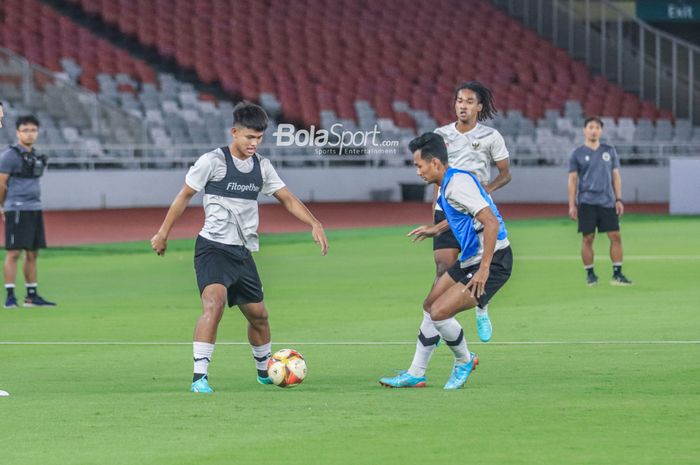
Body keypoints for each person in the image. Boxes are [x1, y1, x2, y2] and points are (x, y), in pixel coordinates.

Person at [151, 101, 328, 393]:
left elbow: (287, 198)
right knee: (214, 303)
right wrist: (162, 233)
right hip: (212, 248)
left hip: (242, 253)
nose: (254, 144)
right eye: (249, 137)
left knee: (259, 315)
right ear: (234, 132)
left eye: (259, 138)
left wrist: (314, 223)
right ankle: (199, 377)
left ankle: (264, 371)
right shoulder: (212, 161)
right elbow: (184, 196)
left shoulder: (262, 167)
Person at [379, 132, 513, 389]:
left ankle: (465, 360)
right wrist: (437, 229)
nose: (417, 171)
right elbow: (463, 215)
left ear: (436, 163)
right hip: (471, 258)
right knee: (430, 305)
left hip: (494, 260)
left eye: (419, 165)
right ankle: (416, 373)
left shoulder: (458, 184)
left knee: (440, 313)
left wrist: (485, 269)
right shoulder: (447, 183)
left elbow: (491, 222)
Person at [431, 81, 511, 342]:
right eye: (459, 101)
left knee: (475, 264)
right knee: (443, 267)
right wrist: (436, 207)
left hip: (475, 212)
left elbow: (505, 174)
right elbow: (435, 175)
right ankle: (440, 320)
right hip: (447, 210)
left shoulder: (490, 136)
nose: (462, 106)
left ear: (479, 107)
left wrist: (486, 191)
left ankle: (481, 305)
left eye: (468, 102)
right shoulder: (440, 135)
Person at [0, 114, 56, 308]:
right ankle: (10, 296)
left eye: (33, 130)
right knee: (13, 252)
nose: (30, 134)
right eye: (25, 130)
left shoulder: (36, 155)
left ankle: (31, 295)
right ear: (17, 132)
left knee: (33, 253)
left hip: (34, 208)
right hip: (16, 208)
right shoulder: (9, 156)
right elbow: (1, 183)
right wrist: (2, 207)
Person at [568, 116, 632, 286]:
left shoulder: (609, 151)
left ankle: (617, 274)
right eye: (590, 127)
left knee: (615, 236)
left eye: (597, 127)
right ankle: (590, 274)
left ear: (601, 131)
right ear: (584, 130)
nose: (594, 130)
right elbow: (572, 180)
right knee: (588, 237)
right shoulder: (577, 153)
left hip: (607, 201)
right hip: (587, 202)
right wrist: (572, 205)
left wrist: (619, 199)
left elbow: (616, 176)